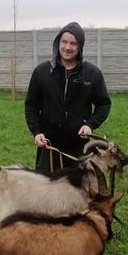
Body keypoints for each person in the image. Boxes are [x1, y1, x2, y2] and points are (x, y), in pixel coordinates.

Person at [25, 22, 111, 172]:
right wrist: (36, 132)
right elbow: (31, 105)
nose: (67, 47)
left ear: (80, 47)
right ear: (58, 43)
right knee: (46, 191)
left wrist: (90, 125)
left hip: (79, 148)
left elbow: (103, 104)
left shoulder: (92, 74)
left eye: (73, 43)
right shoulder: (42, 72)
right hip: (49, 146)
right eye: (64, 42)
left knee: (78, 192)